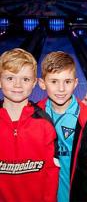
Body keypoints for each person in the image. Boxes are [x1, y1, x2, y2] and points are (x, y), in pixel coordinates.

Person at [38, 51, 87, 202]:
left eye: (67, 81)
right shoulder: (36, 114)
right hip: (43, 194)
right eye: (54, 81)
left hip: (74, 195)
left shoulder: (85, 118)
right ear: (42, 83)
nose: (61, 89)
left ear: (75, 83)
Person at [0, 48, 59, 202]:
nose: (17, 85)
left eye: (25, 79)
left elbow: (51, 173)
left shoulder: (44, 124)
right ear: (0, 81)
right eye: (10, 78)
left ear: (34, 83)